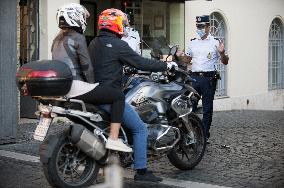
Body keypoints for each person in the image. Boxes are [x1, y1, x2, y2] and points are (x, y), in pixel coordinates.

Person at [88, 8, 177, 182]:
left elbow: (106, 64)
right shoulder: (119, 45)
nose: (125, 26)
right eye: (123, 23)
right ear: (116, 24)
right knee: (140, 128)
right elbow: (141, 62)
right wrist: (166, 66)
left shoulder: (93, 43)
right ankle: (142, 172)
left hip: (93, 94)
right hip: (109, 98)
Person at [51, 3, 132, 153]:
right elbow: (87, 67)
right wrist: (94, 85)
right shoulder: (78, 37)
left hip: (63, 88)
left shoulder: (57, 39)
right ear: (75, 18)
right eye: (82, 17)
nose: (84, 21)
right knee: (118, 96)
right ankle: (114, 138)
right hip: (77, 86)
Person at [183, 15, 229, 143]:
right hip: (194, 78)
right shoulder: (193, 42)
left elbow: (225, 62)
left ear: (208, 27)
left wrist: (221, 53)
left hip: (208, 79)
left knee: (207, 109)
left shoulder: (215, 42)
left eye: (202, 26)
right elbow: (188, 59)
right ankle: (190, 134)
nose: (199, 28)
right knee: (189, 107)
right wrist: (180, 56)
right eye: (198, 26)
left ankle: (203, 135)